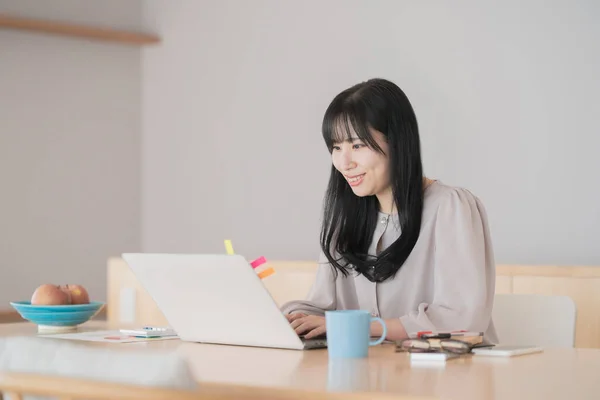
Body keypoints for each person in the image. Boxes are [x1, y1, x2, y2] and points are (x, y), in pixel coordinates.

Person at [280, 78, 498, 344]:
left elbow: (462, 321)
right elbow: (322, 306)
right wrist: (290, 318)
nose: (344, 162)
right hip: (371, 375)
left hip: (450, 376)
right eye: (336, 147)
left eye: (357, 145)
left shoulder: (451, 208)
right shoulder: (345, 220)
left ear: (396, 142)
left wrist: (361, 327)